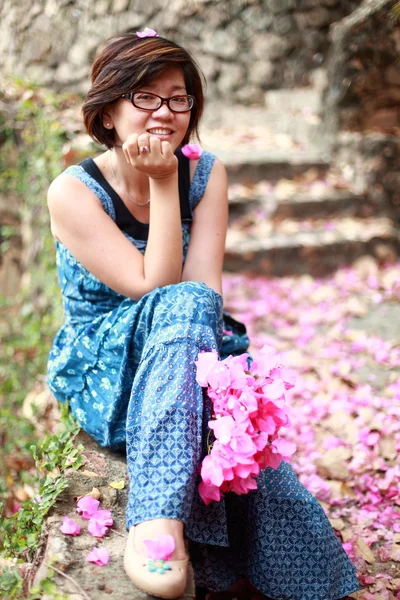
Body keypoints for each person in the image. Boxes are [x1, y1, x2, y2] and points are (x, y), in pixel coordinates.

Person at [47, 30, 361, 600]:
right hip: (108, 361)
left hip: (185, 346)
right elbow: (155, 288)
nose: (164, 112)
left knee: (251, 455)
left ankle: (281, 578)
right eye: (145, 97)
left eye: (178, 98)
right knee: (190, 326)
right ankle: (156, 522)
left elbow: (202, 295)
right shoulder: (74, 192)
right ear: (109, 111)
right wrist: (165, 184)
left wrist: (172, 180)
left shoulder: (207, 171)